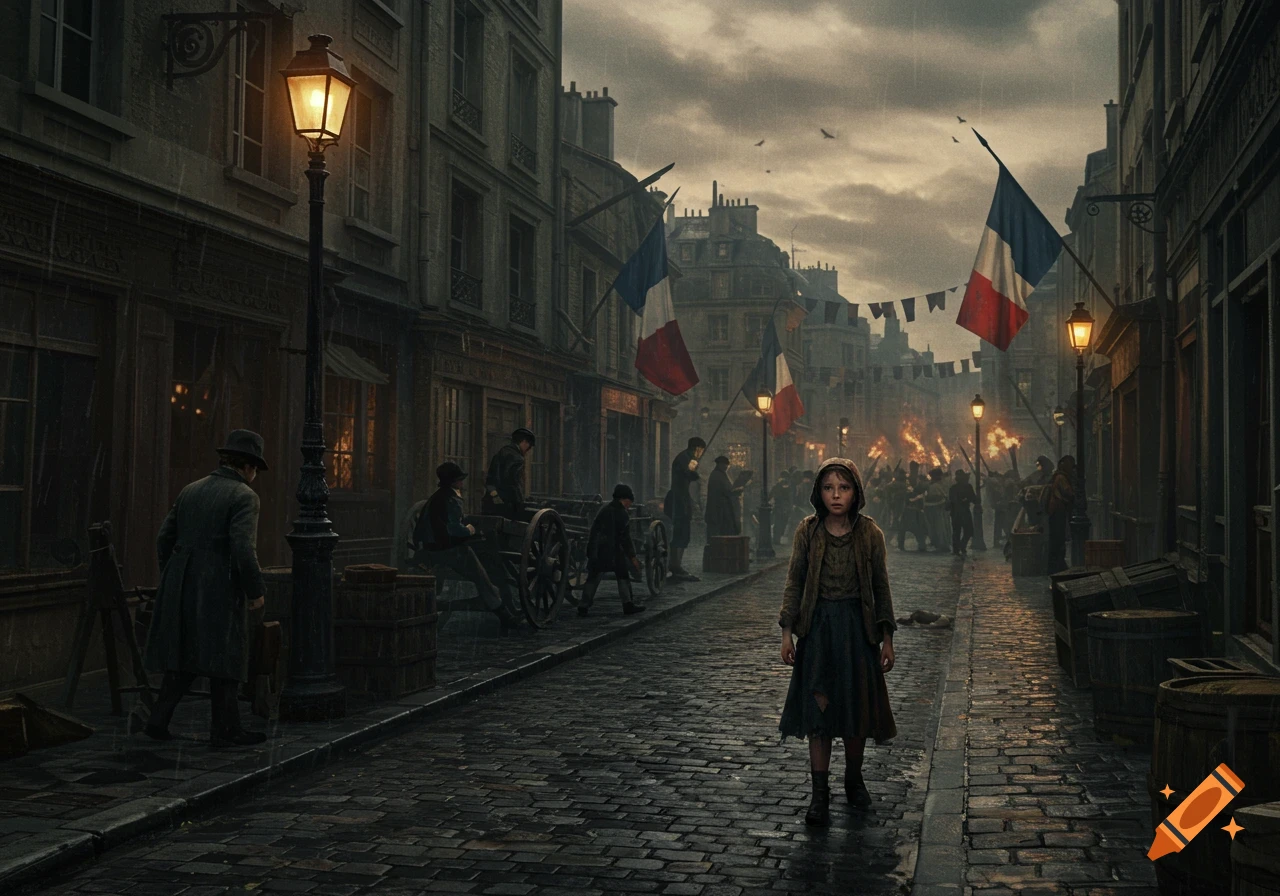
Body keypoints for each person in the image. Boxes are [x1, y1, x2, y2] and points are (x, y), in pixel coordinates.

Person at [778, 457, 898, 826]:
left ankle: (854, 778)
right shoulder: (808, 532)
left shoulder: (869, 534)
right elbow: (795, 580)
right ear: (819, 492)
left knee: (855, 711)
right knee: (820, 712)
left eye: (843, 488)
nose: (835, 495)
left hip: (857, 632)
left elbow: (880, 587)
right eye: (829, 488)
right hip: (818, 632)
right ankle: (819, 795)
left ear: (855, 493)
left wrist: (887, 638)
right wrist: (787, 630)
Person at [143, 430, 270, 747]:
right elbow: (243, 549)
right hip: (218, 586)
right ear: (248, 466)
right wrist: (255, 591)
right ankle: (225, 729)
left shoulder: (191, 490)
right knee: (226, 654)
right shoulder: (244, 496)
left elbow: (163, 539)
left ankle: (157, 721)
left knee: (184, 655)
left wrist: (173, 574)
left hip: (181, 582)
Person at [415, 462, 520, 628]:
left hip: (430, 548)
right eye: (459, 480)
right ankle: (503, 612)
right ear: (454, 482)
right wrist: (470, 530)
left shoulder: (436, 497)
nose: (461, 483)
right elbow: (454, 528)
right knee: (481, 573)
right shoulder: (452, 499)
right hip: (449, 550)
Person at [578, 484, 646, 617]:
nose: (629, 505)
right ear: (623, 499)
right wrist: (633, 558)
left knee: (594, 576)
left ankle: (583, 605)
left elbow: (595, 531)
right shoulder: (622, 513)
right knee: (623, 575)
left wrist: (592, 551)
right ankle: (628, 604)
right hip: (612, 550)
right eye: (628, 502)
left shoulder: (605, 509)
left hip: (597, 549)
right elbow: (625, 538)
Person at [667, 436, 706, 580]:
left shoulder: (686, 457)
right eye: (701, 450)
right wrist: (693, 468)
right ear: (697, 448)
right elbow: (690, 475)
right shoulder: (685, 458)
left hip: (683, 498)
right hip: (679, 499)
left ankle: (677, 564)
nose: (701, 453)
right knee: (680, 532)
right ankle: (675, 565)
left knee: (683, 533)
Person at [482, 427, 535, 519]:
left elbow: (491, 479)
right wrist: (520, 500)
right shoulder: (517, 458)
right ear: (524, 442)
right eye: (529, 446)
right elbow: (513, 482)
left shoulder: (502, 451)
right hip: (506, 504)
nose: (528, 450)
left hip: (491, 501)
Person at [1043, 456, 1075, 574]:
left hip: (1056, 511)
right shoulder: (1061, 477)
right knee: (1058, 539)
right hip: (1058, 511)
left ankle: (1056, 565)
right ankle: (1057, 566)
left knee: (1057, 540)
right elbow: (1069, 493)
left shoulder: (1058, 476)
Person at [705, 456, 743, 538]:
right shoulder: (717, 475)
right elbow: (725, 491)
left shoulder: (719, 474)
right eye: (725, 465)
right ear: (719, 464)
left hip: (721, 509)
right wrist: (735, 492)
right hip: (719, 510)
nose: (726, 467)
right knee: (720, 534)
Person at [948, 469, 978, 556]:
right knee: (968, 531)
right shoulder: (967, 487)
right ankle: (961, 546)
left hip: (955, 512)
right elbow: (973, 499)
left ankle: (957, 548)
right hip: (964, 511)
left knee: (956, 531)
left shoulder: (953, 488)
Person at [922, 468, 951, 552]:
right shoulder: (935, 484)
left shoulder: (935, 485)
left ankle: (943, 545)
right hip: (937, 508)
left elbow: (938, 497)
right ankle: (940, 544)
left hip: (937, 508)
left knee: (939, 527)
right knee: (940, 526)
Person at [771, 473, 795, 545]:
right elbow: (772, 494)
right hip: (779, 508)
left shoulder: (789, 487)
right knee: (778, 524)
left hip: (785, 508)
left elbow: (790, 498)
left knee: (782, 524)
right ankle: (776, 540)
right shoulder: (777, 487)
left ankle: (777, 538)